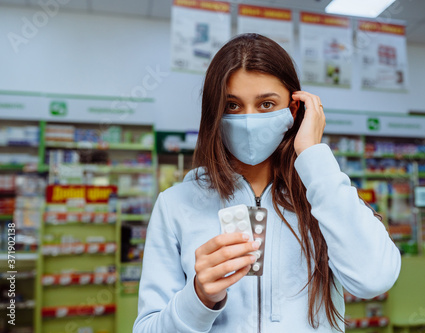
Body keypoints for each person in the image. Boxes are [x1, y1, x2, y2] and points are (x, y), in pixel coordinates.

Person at [133, 33, 401, 333]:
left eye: (266, 104)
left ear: (294, 109)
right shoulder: (175, 204)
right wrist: (199, 297)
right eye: (232, 106)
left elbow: (374, 279)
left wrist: (313, 156)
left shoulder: (325, 194)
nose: (248, 120)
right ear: (214, 113)